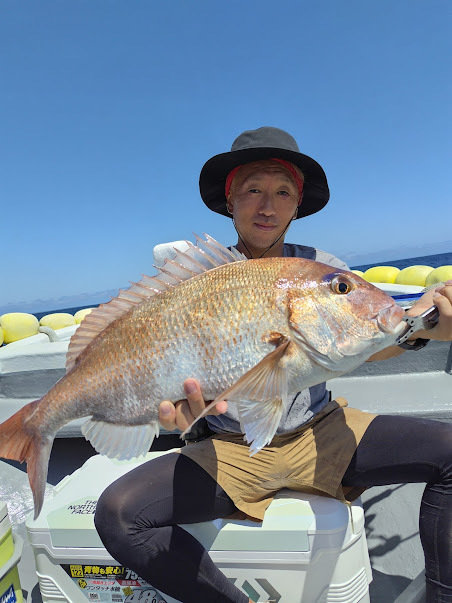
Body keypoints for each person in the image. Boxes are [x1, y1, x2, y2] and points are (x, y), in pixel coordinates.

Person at [94, 127, 452, 603]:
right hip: (231, 449)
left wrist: (422, 329)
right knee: (118, 515)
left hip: (321, 432)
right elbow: (162, 361)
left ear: (297, 204)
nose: (268, 206)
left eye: (283, 192)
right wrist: (178, 411)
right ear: (230, 201)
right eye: (253, 191)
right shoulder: (198, 280)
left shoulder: (322, 269)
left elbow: (366, 342)